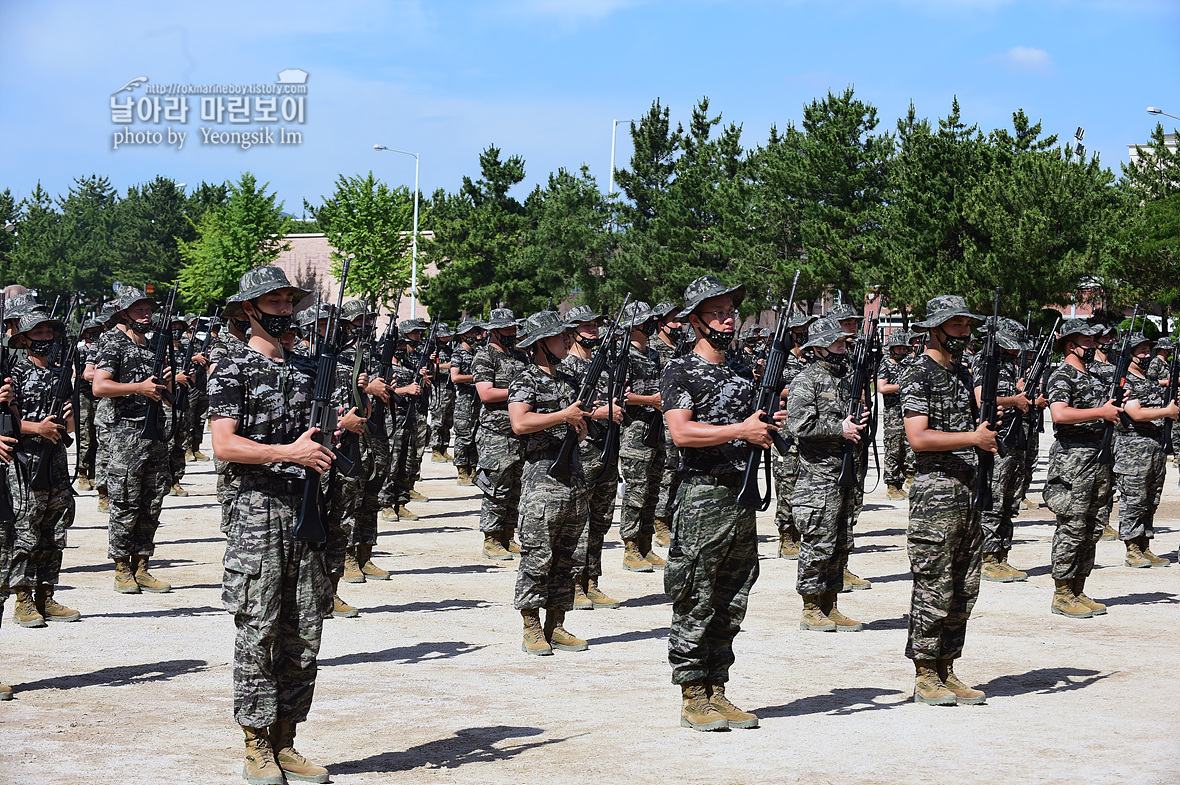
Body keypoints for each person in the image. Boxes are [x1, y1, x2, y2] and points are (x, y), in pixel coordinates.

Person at [208, 265, 334, 785]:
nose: (284, 312)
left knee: (304, 630)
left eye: (289, 303)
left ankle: (286, 739)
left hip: (308, 512)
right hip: (257, 515)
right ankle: (256, 743)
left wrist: (342, 427)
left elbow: (321, 439)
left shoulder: (310, 369)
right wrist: (290, 453)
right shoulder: (230, 365)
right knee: (258, 629)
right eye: (275, 303)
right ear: (250, 310)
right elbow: (224, 444)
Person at [662, 275, 786, 732]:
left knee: (732, 596)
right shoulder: (681, 370)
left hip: (741, 493)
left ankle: (718, 687)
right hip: (702, 495)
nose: (726, 318)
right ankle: (692, 693)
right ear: (694, 320)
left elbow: (752, 422)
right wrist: (740, 431)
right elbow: (681, 432)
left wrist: (768, 424)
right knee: (695, 593)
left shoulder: (741, 368)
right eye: (715, 312)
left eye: (729, 310)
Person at [900, 295, 994, 706]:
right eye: (956, 326)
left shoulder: (962, 371)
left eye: (966, 326)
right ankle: (925, 672)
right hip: (935, 489)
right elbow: (918, 438)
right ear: (935, 328)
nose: (963, 333)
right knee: (934, 583)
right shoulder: (917, 374)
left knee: (964, 585)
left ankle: (947, 664)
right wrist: (972, 438)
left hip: (967, 487)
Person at [509, 310, 592, 655]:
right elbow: (520, 422)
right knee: (538, 553)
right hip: (542, 475)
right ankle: (530, 625)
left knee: (569, 555)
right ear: (542, 342)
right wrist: (563, 416)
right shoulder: (524, 379)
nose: (567, 340)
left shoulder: (569, 381)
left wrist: (581, 425)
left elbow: (579, 425)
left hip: (573, 474)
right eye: (560, 337)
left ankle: (556, 624)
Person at [787, 316, 868, 633]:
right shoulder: (806, 380)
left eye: (843, 342)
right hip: (818, 477)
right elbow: (800, 426)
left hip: (844, 472)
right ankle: (810, 606)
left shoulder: (844, 377)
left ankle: (830, 604)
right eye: (836, 343)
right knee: (818, 542)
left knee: (840, 542)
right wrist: (840, 429)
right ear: (818, 348)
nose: (841, 348)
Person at [91, 287, 173, 595]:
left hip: (155, 432)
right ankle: (121, 567)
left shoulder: (151, 346)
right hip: (127, 432)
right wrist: (138, 387)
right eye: (138, 309)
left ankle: (142, 565)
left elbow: (164, 396)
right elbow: (100, 386)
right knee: (125, 500)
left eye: (148, 308)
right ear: (123, 312)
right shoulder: (113, 341)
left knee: (151, 501)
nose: (145, 313)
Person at [1043, 318, 1123, 619]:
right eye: (1086, 341)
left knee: (1093, 525)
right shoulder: (1062, 374)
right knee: (1073, 526)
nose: (1093, 345)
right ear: (1070, 344)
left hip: (1099, 457)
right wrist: (1101, 411)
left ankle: (1078, 586)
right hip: (1073, 460)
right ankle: (1062, 592)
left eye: (1093, 341)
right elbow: (1060, 414)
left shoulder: (1094, 376)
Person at [7, 312, 78, 627]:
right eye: (38, 332)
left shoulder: (60, 374)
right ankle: (22, 600)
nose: (45, 338)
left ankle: (45, 595)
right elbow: (8, 422)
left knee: (54, 531)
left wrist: (68, 418)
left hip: (57, 464)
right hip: (26, 464)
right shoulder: (16, 373)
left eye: (50, 332)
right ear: (24, 339)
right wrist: (39, 429)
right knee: (26, 531)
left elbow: (70, 429)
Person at [559, 305, 624, 610]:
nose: (593, 330)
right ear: (572, 331)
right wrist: (600, 411)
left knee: (600, 520)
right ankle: (572, 584)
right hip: (583, 450)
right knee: (579, 521)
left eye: (595, 324)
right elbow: (566, 409)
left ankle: (591, 581)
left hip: (607, 446)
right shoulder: (566, 367)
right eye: (586, 326)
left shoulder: (605, 366)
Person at [973, 318, 1033, 583]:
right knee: (995, 499)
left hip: (1016, 437)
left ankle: (1001, 555)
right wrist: (1016, 400)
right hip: (996, 438)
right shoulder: (983, 361)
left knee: (1011, 500)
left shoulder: (1009, 364)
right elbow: (981, 398)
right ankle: (987, 557)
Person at [472, 309, 528, 560]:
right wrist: (518, 390)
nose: (512, 333)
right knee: (497, 485)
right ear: (494, 331)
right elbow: (486, 393)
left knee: (517, 486)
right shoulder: (485, 356)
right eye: (506, 329)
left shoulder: (519, 355)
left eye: (513, 328)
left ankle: (508, 534)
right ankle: (491, 538)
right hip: (496, 433)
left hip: (520, 431)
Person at [1115, 333, 1175, 568]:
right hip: (1133, 448)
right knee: (1134, 499)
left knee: (1151, 498)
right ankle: (1132, 548)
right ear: (1129, 353)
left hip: (1154, 445)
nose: (1146, 355)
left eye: (1148, 350)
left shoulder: (1148, 378)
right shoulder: (1125, 380)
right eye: (1141, 351)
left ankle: (1144, 544)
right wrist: (1167, 412)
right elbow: (1136, 413)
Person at [618, 301, 666, 573]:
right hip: (635, 429)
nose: (653, 322)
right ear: (634, 323)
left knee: (652, 490)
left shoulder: (654, 354)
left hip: (656, 427)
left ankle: (646, 544)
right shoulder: (624, 355)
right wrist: (651, 400)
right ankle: (630, 547)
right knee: (636, 490)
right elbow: (621, 396)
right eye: (647, 319)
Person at [773, 313, 815, 559]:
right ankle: (786, 535)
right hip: (785, 428)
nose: (803, 333)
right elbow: (774, 387)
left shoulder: (811, 358)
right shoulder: (778, 359)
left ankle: (803, 530)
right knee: (787, 480)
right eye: (799, 329)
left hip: (807, 427)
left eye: (806, 328)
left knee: (806, 480)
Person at [649, 301, 682, 546]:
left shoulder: (682, 349)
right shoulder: (653, 349)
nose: (679, 325)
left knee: (679, 468)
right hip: (660, 419)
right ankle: (660, 518)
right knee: (666, 469)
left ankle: (672, 514)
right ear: (661, 324)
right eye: (674, 320)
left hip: (681, 416)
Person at [879, 329, 912, 500]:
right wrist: (903, 386)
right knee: (893, 447)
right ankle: (891, 484)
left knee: (907, 447)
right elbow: (882, 387)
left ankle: (903, 480)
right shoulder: (885, 364)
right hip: (893, 413)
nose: (902, 351)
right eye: (899, 349)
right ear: (891, 349)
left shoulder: (907, 364)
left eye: (904, 348)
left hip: (906, 410)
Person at [449, 320, 482, 486]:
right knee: (463, 436)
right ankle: (462, 470)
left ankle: (474, 467)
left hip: (478, 399)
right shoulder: (458, 354)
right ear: (462, 335)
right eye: (470, 333)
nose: (474, 335)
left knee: (476, 434)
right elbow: (455, 377)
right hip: (464, 401)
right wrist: (475, 378)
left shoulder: (478, 351)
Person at [430, 323, 456, 463]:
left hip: (450, 388)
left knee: (448, 420)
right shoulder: (431, 349)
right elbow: (428, 367)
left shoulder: (448, 350)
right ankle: (435, 449)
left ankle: (443, 448)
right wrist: (447, 366)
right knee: (437, 420)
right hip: (438, 388)